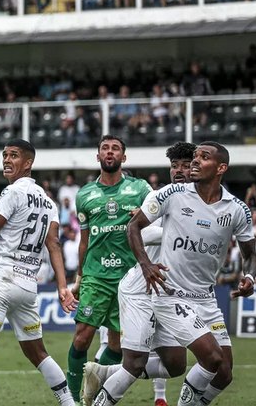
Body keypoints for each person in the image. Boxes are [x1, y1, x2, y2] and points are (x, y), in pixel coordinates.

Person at [88, 142, 256, 406]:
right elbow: (134, 228)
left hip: (205, 298)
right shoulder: (170, 194)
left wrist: (248, 277)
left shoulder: (237, 209)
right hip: (166, 292)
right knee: (201, 359)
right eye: (190, 159)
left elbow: (249, 255)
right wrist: (146, 264)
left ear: (221, 168)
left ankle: (106, 373)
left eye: (202, 157)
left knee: (221, 372)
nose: (192, 164)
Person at [82, 141, 196, 406]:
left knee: (176, 366)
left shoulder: (202, 202)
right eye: (174, 166)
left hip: (167, 292)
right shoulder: (161, 196)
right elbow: (138, 231)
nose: (178, 170)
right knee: (134, 362)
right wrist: (174, 234)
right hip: (140, 289)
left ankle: (104, 372)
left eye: (185, 165)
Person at [0, 139, 76, 406]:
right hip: (27, 286)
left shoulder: (12, 192)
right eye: (4, 155)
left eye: (13, 155)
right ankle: (69, 402)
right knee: (37, 352)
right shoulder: (49, 203)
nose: (6, 160)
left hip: (0, 278)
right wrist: (62, 287)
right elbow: (54, 245)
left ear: (28, 163)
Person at [66, 135, 151, 404]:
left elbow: (160, 218)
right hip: (95, 276)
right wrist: (78, 279)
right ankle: (71, 398)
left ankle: (95, 382)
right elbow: (84, 240)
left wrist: (146, 211)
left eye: (115, 149)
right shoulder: (85, 195)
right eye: (105, 148)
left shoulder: (140, 189)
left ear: (124, 157)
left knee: (116, 346)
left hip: (128, 279)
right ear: (98, 155)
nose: (110, 152)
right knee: (82, 338)